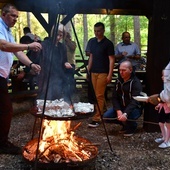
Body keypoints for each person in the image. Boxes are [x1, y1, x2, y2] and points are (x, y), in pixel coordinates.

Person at [0, 3, 42, 154]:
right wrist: (29, 46)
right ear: (3, 14)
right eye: (13, 15)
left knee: (4, 110)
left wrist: (31, 64)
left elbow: (17, 52)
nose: (15, 19)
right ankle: (2, 143)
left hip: (2, 77)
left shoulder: (8, 31)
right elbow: (3, 46)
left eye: (17, 16)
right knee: (6, 110)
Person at [103, 61, 143, 136]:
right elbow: (114, 97)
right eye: (120, 70)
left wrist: (125, 113)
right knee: (106, 117)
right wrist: (118, 110)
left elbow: (135, 101)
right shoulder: (118, 81)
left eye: (124, 70)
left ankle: (132, 126)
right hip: (121, 106)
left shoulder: (135, 83)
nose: (121, 72)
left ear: (130, 70)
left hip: (134, 108)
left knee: (128, 117)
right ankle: (125, 124)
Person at [87, 22, 115, 128]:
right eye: (95, 31)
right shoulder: (93, 42)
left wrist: (110, 74)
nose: (96, 33)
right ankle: (103, 111)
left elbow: (111, 59)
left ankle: (97, 118)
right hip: (93, 71)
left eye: (98, 31)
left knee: (99, 95)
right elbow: (91, 57)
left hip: (103, 72)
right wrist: (88, 70)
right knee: (96, 95)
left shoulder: (108, 43)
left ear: (103, 30)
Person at [37, 24, 72, 101]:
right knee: (46, 98)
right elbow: (39, 58)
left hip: (58, 77)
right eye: (57, 35)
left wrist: (66, 63)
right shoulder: (45, 44)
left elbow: (64, 60)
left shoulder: (62, 47)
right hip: (46, 77)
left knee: (57, 99)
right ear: (53, 33)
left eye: (60, 35)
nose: (58, 37)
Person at [148, 62, 170, 148]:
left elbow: (167, 96)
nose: (162, 78)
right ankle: (164, 137)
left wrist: (159, 98)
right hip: (164, 107)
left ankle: (167, 140)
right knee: (161, 123)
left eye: (164, 76)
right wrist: (159, 103)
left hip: (168, 108)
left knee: (168, 124)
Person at [64, 32, 77, 102]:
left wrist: (68, 41)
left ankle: (72, 94)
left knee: (71, 79)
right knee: (64, 80)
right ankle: (65, 94)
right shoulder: (62, 44)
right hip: (64, 64)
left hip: (71, 64)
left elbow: (73, 48)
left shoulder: (72, 43)